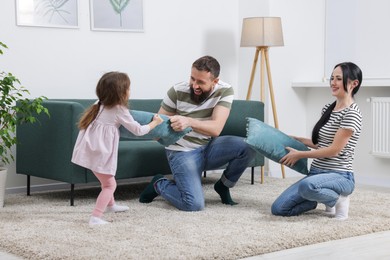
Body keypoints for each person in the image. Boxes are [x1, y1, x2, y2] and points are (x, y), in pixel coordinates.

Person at [139, 55, 256, 211]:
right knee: (193, 204)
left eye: (201, 82)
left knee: (248, 146)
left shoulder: (225, 90)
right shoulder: (176, 91)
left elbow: (216, 129)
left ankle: (223, 185)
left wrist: (189, 122)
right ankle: (159, 184)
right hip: (182, 151)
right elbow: (157, 129)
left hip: (209, 146)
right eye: (192, 79)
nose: (194, 85)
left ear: (215, 81)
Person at [271, 62, 363, 220]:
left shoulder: (351, 114)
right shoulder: (328, 108)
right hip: (316, 173)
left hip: (340, 175)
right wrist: (297, 139)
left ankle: (339, 199)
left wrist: (300, 155)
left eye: (339, 79)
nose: (333, 83)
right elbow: (322, 144)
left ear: (354, 83)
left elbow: (334, 150)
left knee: (307, 186)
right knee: (278, 208)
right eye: (332, 78)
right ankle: (317, 199)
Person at [71, 71, 163, 226]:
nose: (129, 91)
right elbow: (138, 131)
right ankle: (96, 217)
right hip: (100, 153)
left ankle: (111, 204)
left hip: (90, 150)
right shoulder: (119, 110)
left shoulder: (98, 103)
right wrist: (155, 122)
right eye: (128, 88)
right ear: (121, 92)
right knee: (109, 184)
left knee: (107, 180)